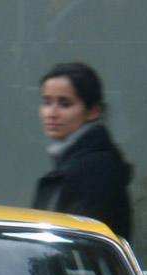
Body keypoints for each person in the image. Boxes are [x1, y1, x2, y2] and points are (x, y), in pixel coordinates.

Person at [32, 62, 133, 241]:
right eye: (47, 102)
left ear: (93, 111)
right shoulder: (75, 161)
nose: (51, 113)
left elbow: (80, 243)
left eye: (65, 104)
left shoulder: (97, 168)